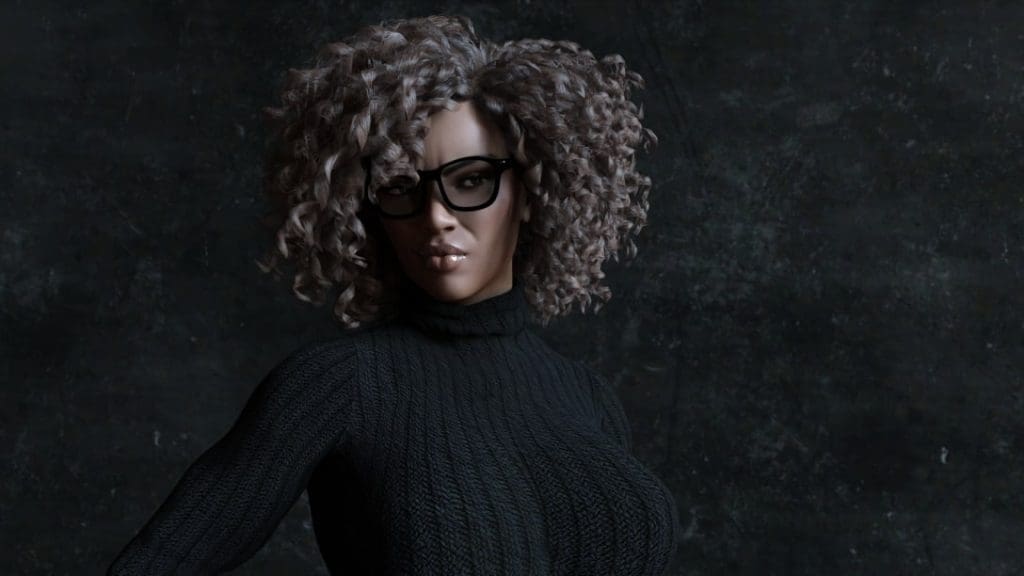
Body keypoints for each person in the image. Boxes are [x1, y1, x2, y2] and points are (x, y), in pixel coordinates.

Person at [107, 14, 679, 575]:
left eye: (471, 180)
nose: (437, 217)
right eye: (400, 187)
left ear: (530, 189)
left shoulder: (586, 397)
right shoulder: (338, 386)